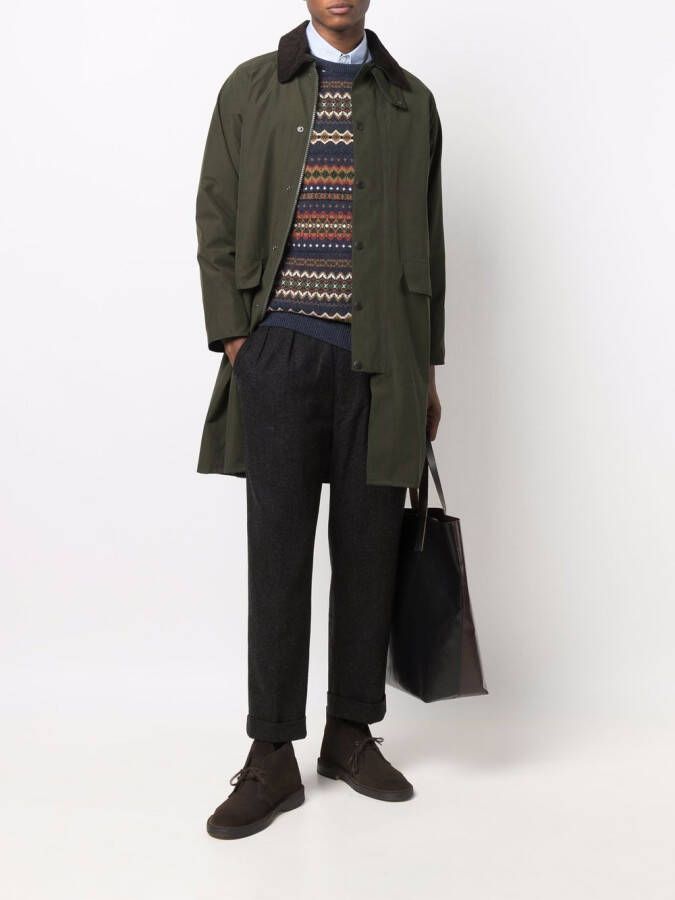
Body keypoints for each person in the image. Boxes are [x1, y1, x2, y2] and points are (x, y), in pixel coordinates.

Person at [195, 0, 445, 840]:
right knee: (277, 557)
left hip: (384, 363)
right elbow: (216, 215)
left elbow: (428, 242)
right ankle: (272, 753)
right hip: (280, 356)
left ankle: (349, 733)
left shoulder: (410, 101)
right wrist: (239, 338)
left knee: (370, 552)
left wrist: (425, 370)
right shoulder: (250, 88)